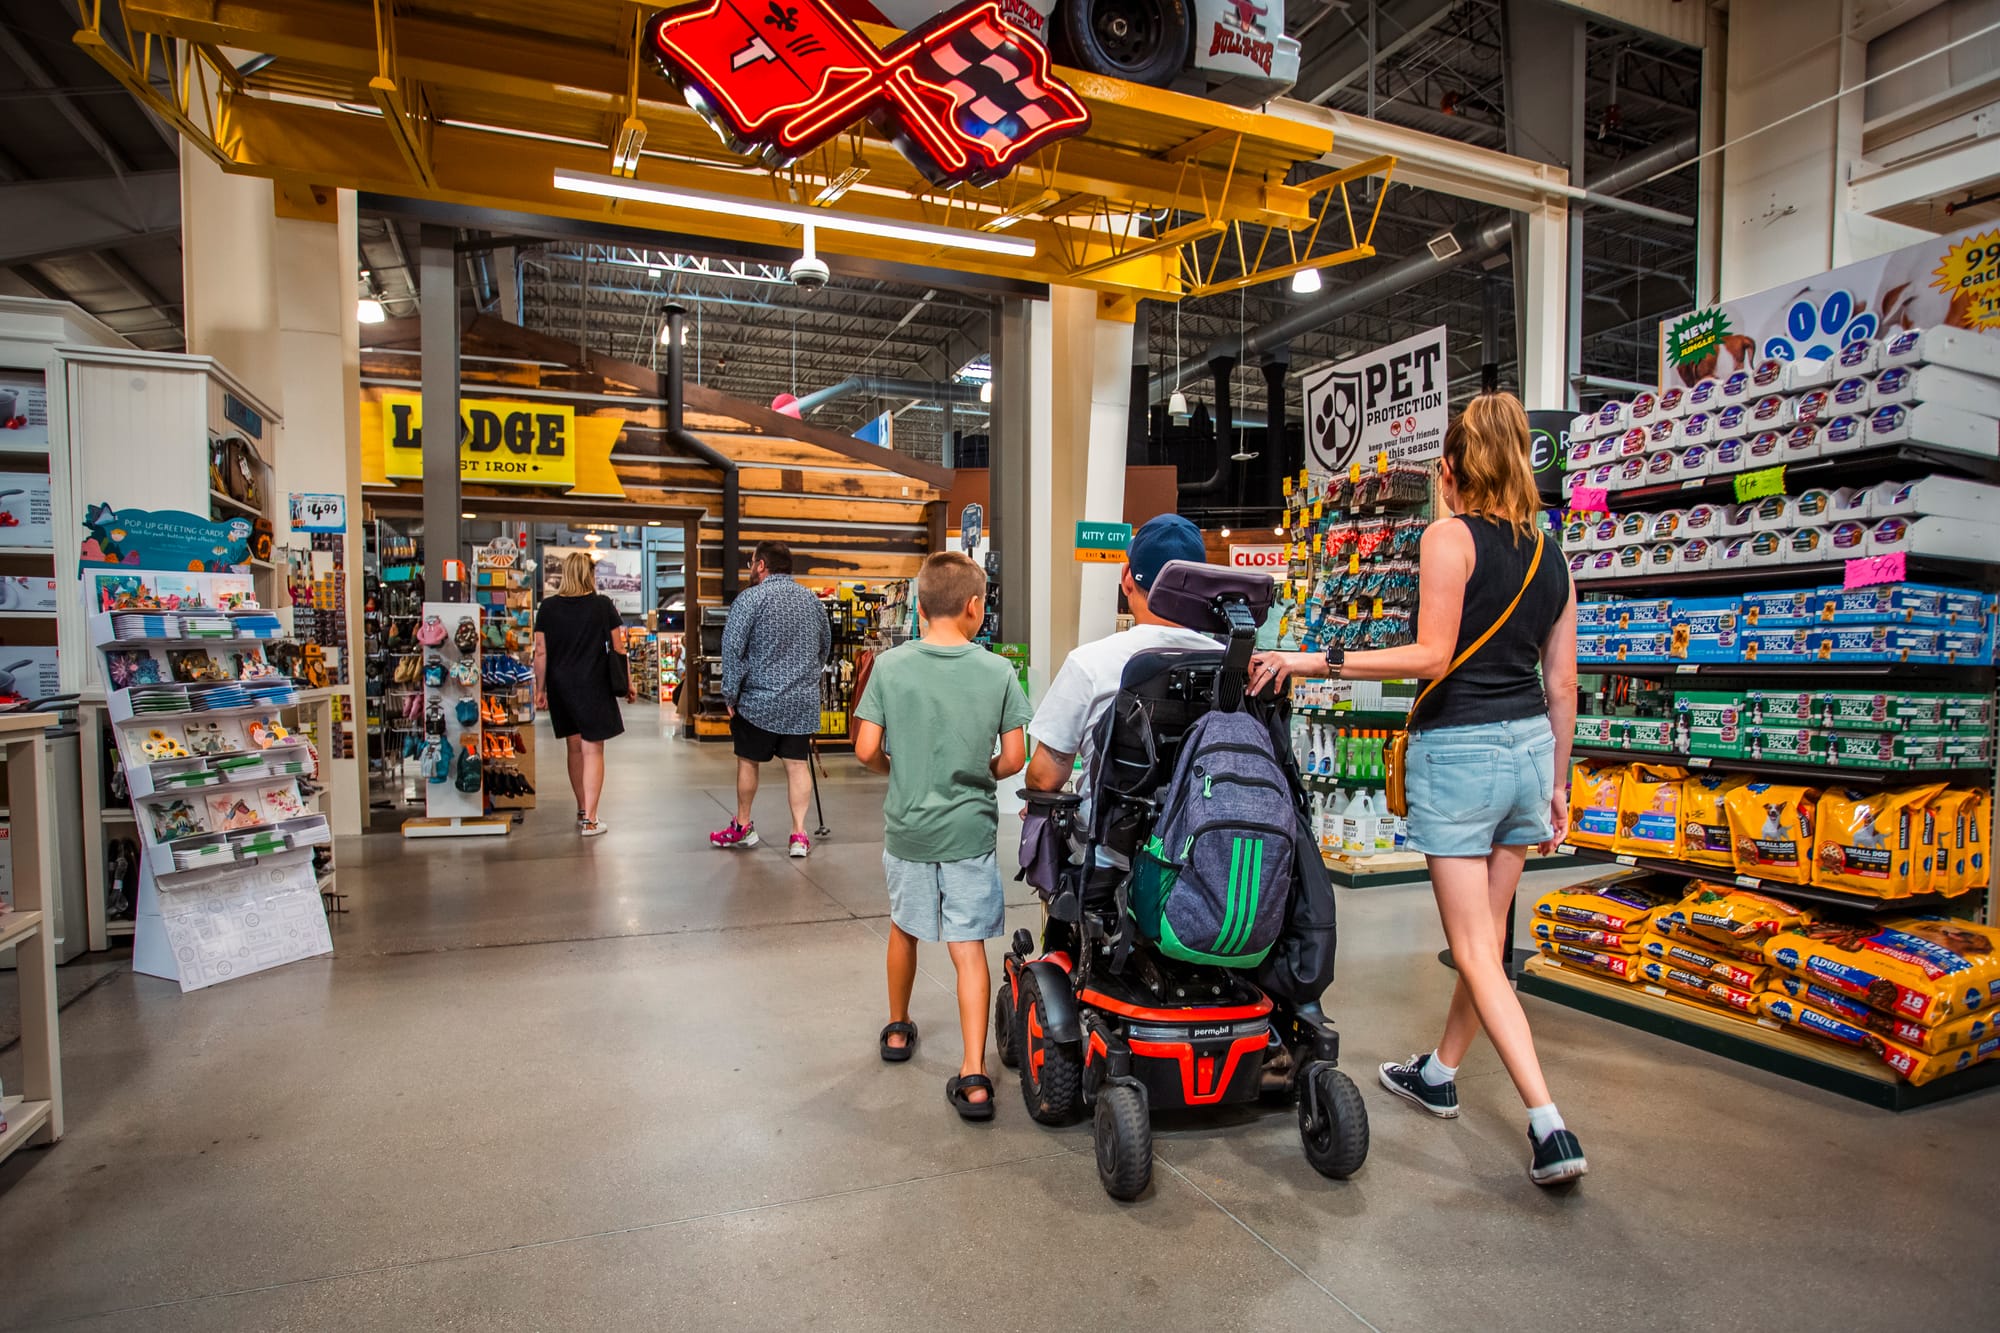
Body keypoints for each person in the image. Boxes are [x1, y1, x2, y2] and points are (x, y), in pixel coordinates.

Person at [1249, 391, 1585, 1187]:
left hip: (1462, 750)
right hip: (1533, 750)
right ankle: (1438, 1071)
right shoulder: (1554, 555)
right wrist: (1561, 783)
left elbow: (1432, 654)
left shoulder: (1448, 536)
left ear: (1453, 467)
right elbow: (1564, 682)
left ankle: (1549, 1122)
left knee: (1474, 946)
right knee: (1491, 940)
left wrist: (1314, 661)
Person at [853, 552, 1031, 1120]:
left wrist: (898, 770)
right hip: (970, 831)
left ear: (920, 606)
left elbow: (864, 749)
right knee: (968, 947)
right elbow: (1015, 758)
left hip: (908, 828)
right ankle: (974, 1075)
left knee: (904, 926)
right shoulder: (998, 671)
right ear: (975, 606)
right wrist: (981, 773)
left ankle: (899, 1029)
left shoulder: (890, 666)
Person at [1023, 513, 1216, 797]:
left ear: (1127, 578)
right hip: (1206, 836)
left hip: (1112, 837)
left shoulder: (1089, 663)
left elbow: (1044, 777)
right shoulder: (1235, 664)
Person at [712, 541, 832, 857]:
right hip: (801, 703)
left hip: (757, 703)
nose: (751, 567)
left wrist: (730, 694)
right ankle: (799, 835)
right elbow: (825, 647)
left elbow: (732, 650)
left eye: (752, 562)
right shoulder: (812, 601)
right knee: (797, 765)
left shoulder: (750, 599)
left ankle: (743, 826)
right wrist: (805, 680)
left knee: (748, 762)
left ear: (762, 565)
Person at [533, 551, 635, 838]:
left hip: (561, 685)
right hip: (594, 684)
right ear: (588, 575)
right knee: (593, 750)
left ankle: (582, 809)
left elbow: (540, 652)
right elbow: (618, 647)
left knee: (574, 748)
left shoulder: (548, 608)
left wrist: (539, 690)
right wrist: (628, 682)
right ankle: (591, 819)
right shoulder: (602, 605)